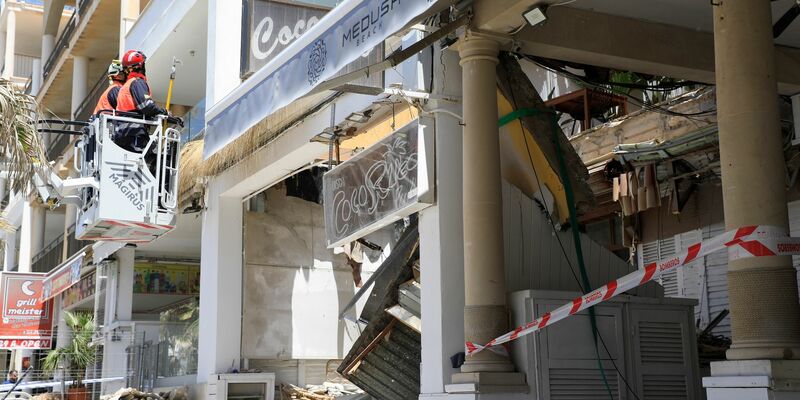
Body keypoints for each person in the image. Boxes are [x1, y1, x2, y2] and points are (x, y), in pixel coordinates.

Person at [114, 49, 169, 152]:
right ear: (140, 66)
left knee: (153, 154)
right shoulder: (137, 82)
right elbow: (146, 106)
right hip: (133, 132)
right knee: (155, 159)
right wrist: (164, 113)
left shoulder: (127, 84)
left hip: (124, 132)